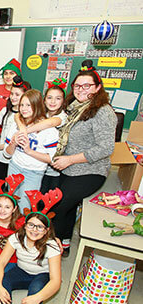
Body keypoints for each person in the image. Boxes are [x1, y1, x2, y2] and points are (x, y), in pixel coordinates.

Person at [50, 60, 116, 256]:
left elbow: (106, 147)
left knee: (60, 205)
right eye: (77, 85)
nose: (81, 89)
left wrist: (70, 160)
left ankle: (53, 246)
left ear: (97, 88)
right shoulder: (72, 107)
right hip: (66, 167)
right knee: (67, 207)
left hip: (90, 170)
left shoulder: (103, 111)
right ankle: (64, 244)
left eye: (87, 85)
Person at [0, 212, 61, 304]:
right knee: (4, 281)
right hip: (21, 270)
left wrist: (38, 297)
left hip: (41, 275)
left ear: (46, 230)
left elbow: (56, 281)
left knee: (36, 290)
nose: (34, 230)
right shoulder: (16, 238)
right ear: (25, 226)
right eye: (31, 225)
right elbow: (0, 263)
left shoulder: (52, 246)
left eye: (40, 227)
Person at [4, 89, 59, 212]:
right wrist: (13, 143)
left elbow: (51, 159)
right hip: (14, 167)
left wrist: (29, 151)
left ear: (37, 105)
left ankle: (22, 230)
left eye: (28, 105)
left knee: (25, 208)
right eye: (22, 105)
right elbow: (7, 154)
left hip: (33, 173)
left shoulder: (49, 130)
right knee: (10, 204)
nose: (24, 109)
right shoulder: (16, 125)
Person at [15, 78, 68, 193]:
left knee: (44, 198)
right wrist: (22, 127)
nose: (53, 102)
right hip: (34, 164)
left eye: (58, 98)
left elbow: (50, 123)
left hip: (52, 167)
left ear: (63, 101)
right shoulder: (42, 113)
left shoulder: (62, 117)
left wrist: (25, 131)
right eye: (49, 98)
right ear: (43, 100)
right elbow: (17, 115)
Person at [0, 76, 31, 180]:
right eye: (12, 94)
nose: (13, 97)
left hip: (16, 158)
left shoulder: (27, 115)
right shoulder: (5, 110)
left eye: (17, 95)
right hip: (0, 156)